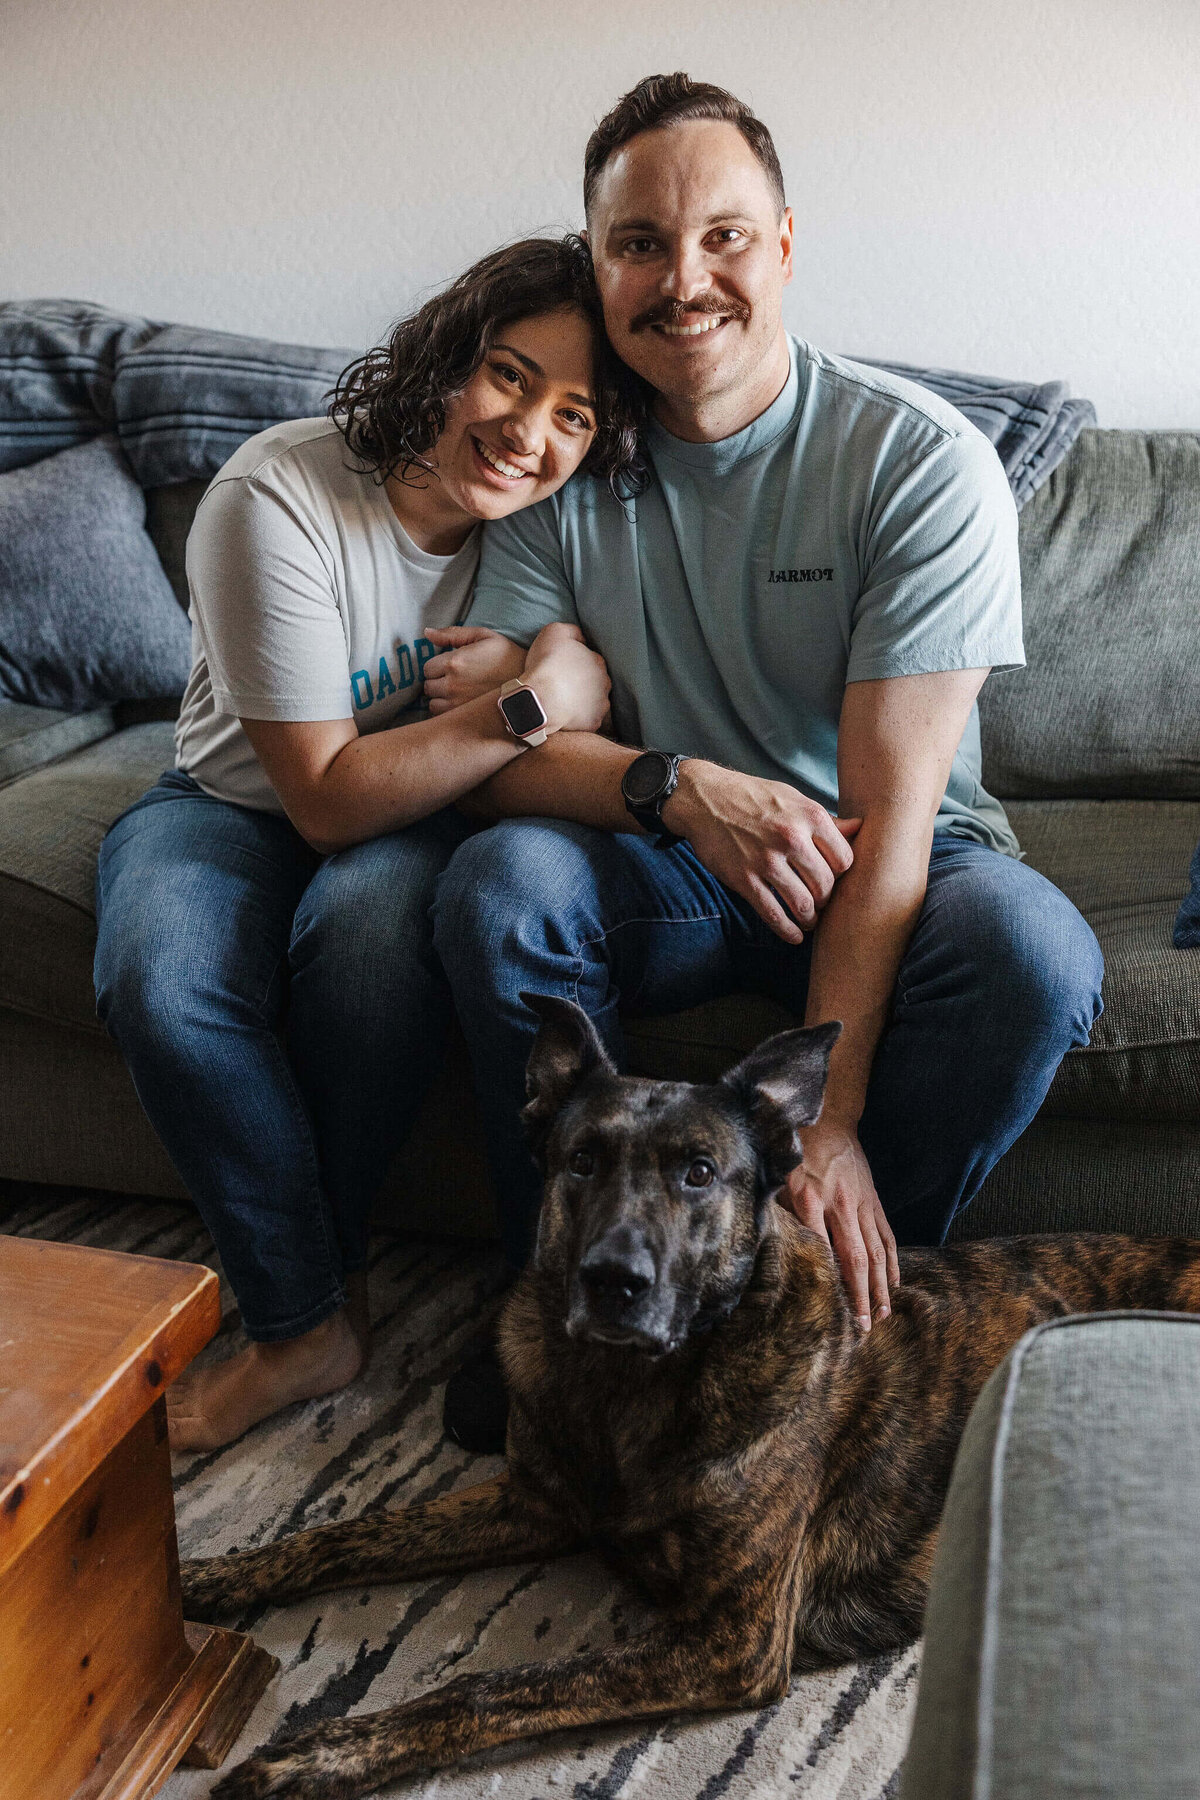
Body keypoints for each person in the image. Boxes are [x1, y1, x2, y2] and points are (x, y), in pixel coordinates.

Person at [431, 75, 1105, 1451]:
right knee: (494, 886)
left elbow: (893, 818)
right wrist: (673, 785)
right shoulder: (560, 455)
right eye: (639, 245)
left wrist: (830, 1124)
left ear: (786, 245)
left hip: (889, 860)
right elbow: (486, 761)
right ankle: (553, 1302)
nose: (685, 281)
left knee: (1039, 960)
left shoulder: (915, 464)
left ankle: (832, 1314)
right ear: (599, 260)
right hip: (660, 862)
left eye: (724, 237)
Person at [94, 236, 642, 1452]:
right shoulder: (274, 498)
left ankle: (304, 1284)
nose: (528, 433)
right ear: (447, 357)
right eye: (507, 375)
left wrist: (553, 668)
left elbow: (600, 666)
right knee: (157, 975)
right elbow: (327, 800)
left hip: (431, 818)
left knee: (377, 930)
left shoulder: (555, 524)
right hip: (230, 805)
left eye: (573, 415)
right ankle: (303, 1327)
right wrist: (535, 700)